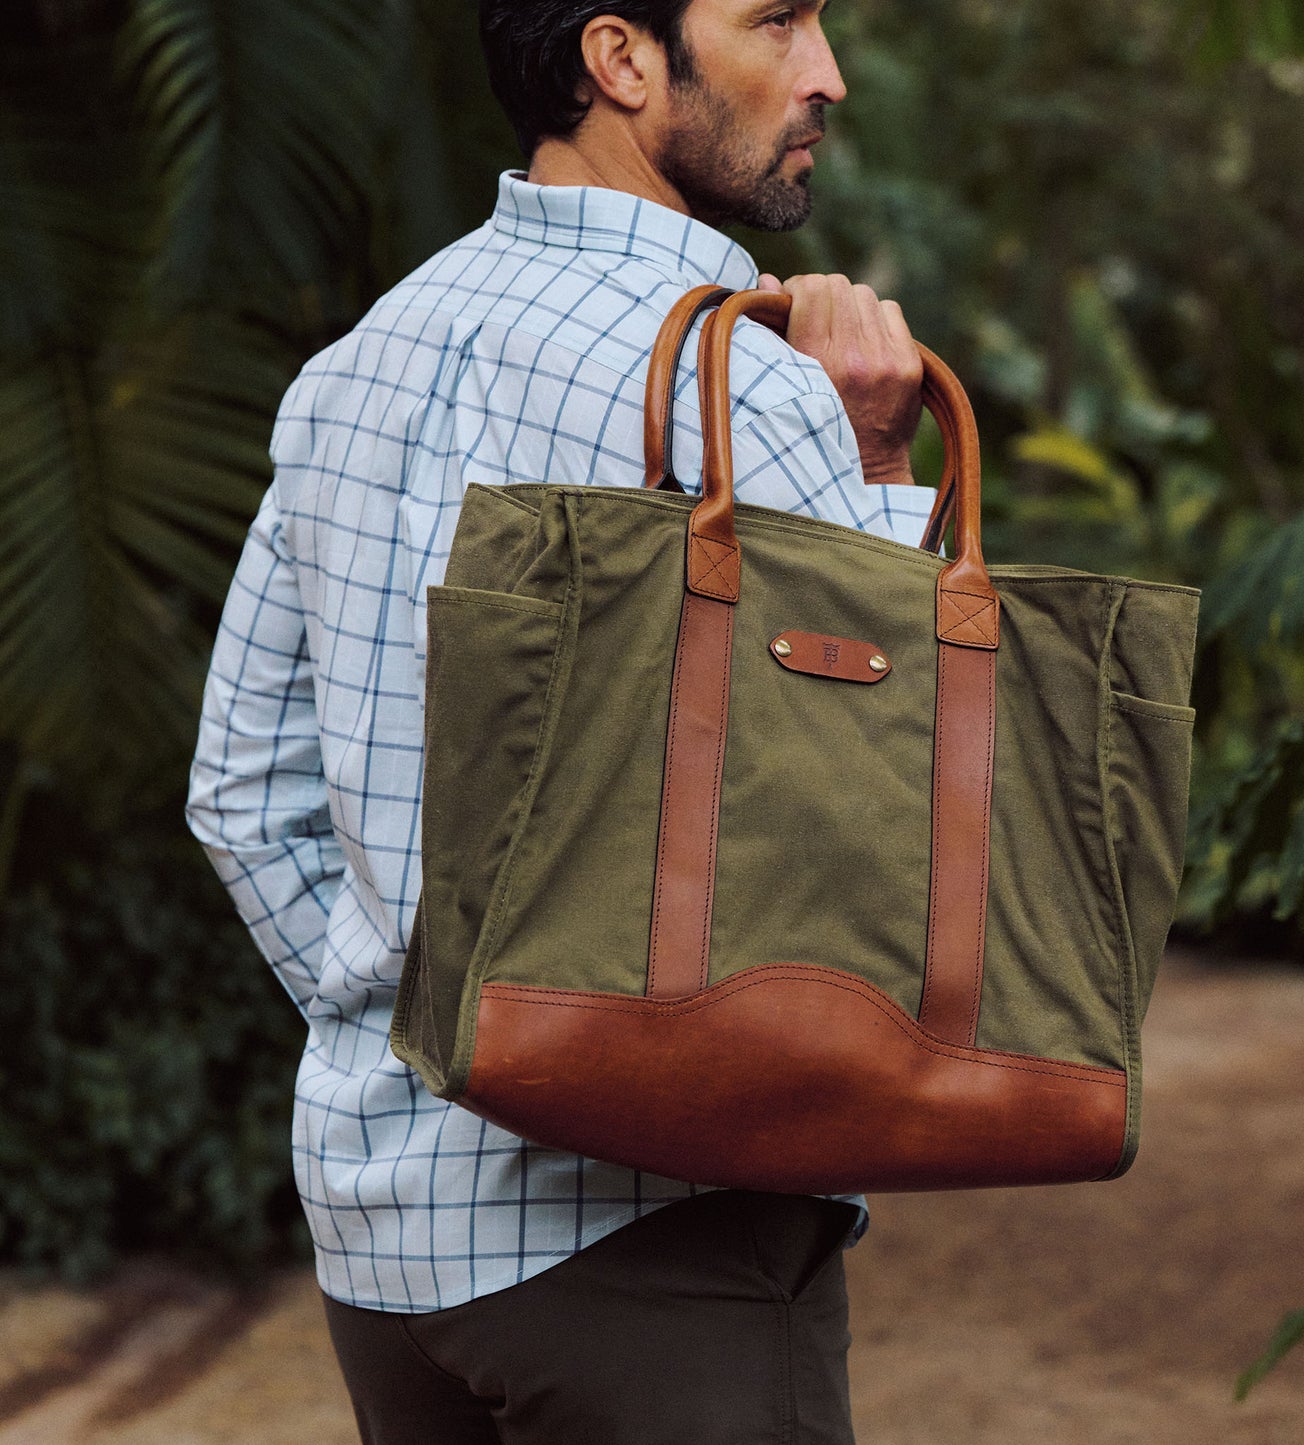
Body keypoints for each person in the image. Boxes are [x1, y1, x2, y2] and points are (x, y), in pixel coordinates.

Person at [187, 1, 931, 1439]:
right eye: (776, 20)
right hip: (654, 1237)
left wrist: (441, 1035)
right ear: (621, 60)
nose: (826, 73)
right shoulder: (748, 392)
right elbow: (889, 812)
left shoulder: (351, 370)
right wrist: (877, 464)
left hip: (388, 1248)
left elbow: (238, 791)